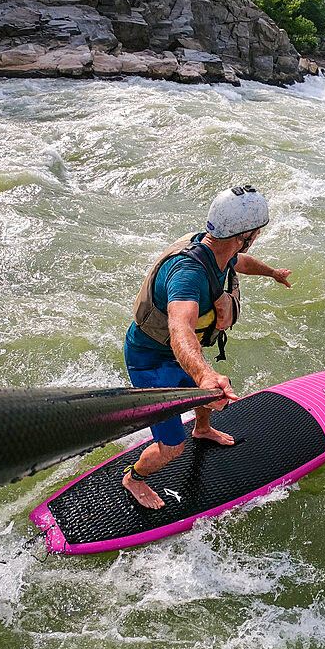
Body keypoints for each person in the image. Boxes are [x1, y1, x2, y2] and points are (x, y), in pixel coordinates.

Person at [122, 185, 291, 509]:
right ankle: (134, 478)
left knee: (212, 398)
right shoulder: (187, 274)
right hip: (152, 362)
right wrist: (202, 373)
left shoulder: (217, 248)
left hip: (175, 354)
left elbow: (240, 262)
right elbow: (180, 328)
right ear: (250, 234)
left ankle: (202, 429)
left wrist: (272, 273)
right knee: (172, 448)